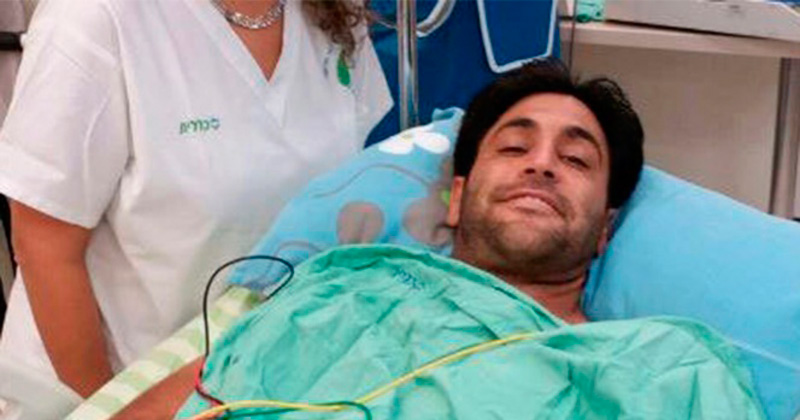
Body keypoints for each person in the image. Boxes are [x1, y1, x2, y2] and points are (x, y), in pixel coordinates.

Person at [111, 59, 762, 419]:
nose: (541, 164)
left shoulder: (666, 370)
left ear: (604, 231)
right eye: (514, 147)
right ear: (455, 196)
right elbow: (187, 398)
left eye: (575, 159)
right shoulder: (343, 285)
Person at [0, 0, 392, 398]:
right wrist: (113, 407)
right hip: (116, 386)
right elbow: (44, 245)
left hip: (266, 382)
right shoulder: (95, 18)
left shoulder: (333, 13)